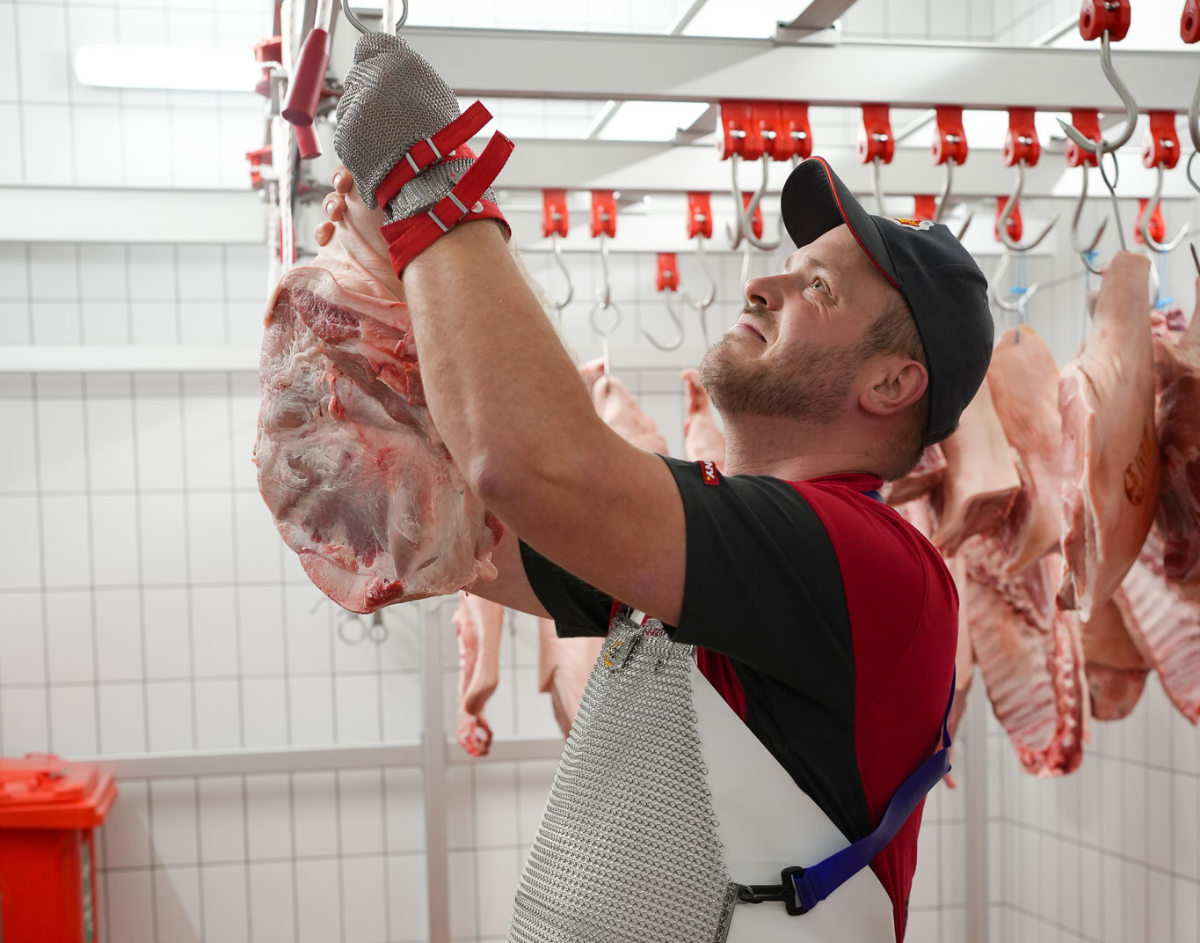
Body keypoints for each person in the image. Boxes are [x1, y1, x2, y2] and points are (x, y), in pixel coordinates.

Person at [326, 32, 993, 943]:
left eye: (818, 288)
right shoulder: (702, 536)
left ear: (888, 386)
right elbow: (422, 528)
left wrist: (426, 184)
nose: (761, 283)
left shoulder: (870, 563)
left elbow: (526, 463)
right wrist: (355, 301)